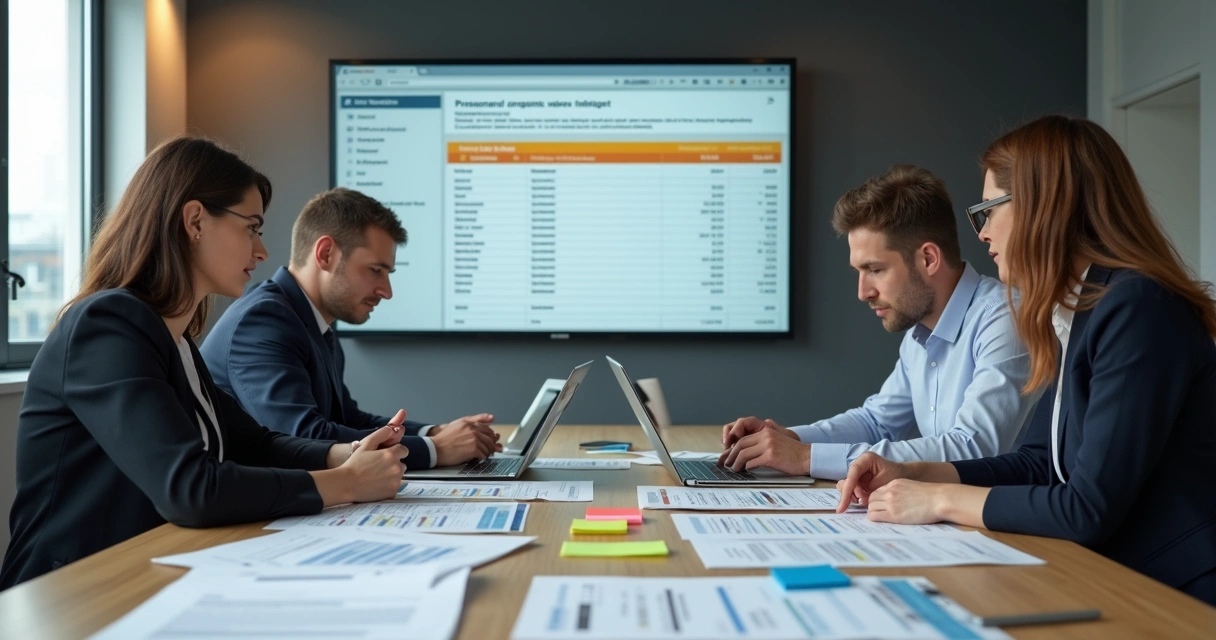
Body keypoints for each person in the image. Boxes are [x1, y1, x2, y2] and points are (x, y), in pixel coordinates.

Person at [835, 115, 1216, 606]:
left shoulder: (1138, 306)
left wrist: (936, 499)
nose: (982, 233)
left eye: (988, 211)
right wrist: (915, 473)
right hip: (1120, 578)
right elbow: (1038, 463)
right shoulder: (1084, 309)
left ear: (1045, 206)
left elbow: (1086, 508)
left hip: (1177, 596)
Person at [0, 138, 407, 590]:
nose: (262, 252)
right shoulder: (108, 323)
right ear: (195, 220)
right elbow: (190, 489)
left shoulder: (175, 341)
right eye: (251, 228)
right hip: (72, 593)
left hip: (152, 571)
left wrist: (346, 454)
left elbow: (255, 444)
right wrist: (345, 484)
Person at [719, 165, 1040, 479]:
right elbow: (877, 422)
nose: (862, 292)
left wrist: (807, 458)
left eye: (875, 270)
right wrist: (789, 439)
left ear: (928, 259)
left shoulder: (1005, 318)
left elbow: (973, 448)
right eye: (859, 271)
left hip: (1008, 530)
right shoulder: (922, 331)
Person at [201, 187, 500, 470]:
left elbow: (347, 418)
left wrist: (437, 431)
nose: (386, 291)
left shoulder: (311, 320)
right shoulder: (264, 320)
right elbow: (303, 438)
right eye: (375, 270)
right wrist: (437, 449)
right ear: (326, 254)